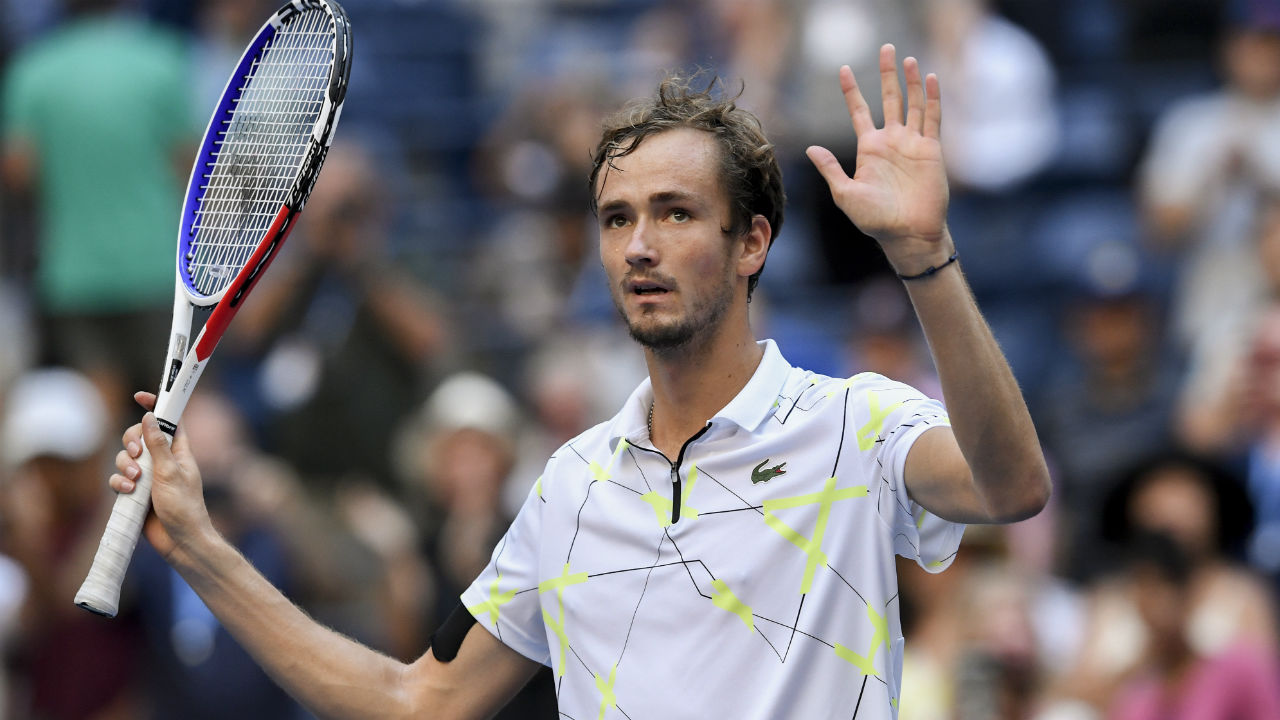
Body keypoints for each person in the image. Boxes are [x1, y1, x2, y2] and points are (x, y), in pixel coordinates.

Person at [109, 46, 1050, 718]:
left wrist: (923, 255)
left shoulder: (855, 423)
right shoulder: (570, 486)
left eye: (676, 213)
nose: (638, 246)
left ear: (752, 242)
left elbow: (1009, 487)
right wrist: (199, 547)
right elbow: (418, 701)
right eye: (616, 218)